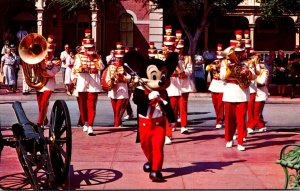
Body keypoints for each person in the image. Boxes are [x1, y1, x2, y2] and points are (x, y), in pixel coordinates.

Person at [219, 37, 254, 151]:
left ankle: (240, 142)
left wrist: (247, 72)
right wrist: (232, 69)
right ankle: (229, 139)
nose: (239, 54)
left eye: (240, 51)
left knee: (241, 119)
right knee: (229, 119)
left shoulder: (247, 62)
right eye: (236, 52)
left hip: (242, 93)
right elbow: (222, 77)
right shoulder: (225, 62)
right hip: (230, 92)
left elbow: (253, 76)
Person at [73, 30, 105, 135]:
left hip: (93, 82)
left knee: (92, 104)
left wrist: (94, 58)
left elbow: (101, 67)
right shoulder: (78, 56)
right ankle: (85, 122)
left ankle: (91, 125)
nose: (88, 50)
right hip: (82, 81)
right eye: (87, 48)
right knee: (82, 104)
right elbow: (76, 67)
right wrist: (82, 68)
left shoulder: (97, 56)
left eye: (90, 48)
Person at [36, 35, 61, 126]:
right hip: (39, 83)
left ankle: (40, 122)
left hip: (49, 84)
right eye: (46, 52)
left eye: (49, 52)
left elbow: (52, 73)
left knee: (43, 102)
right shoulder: (39, 59)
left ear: (53, 51)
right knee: (40, 104)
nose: (47, 54)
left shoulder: (56, 60)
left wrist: (43, 69)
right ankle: (44, 119)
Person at [105, 42, 132, 127]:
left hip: (122, 88)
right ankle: (118, 122)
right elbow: (107, 77)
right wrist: (110, 81)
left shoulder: (126, 66)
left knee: (118, 109)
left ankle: (116, 125)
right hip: (113, 89)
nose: (119, 60)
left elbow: (130, 78)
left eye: (120, 58)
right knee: (114, 110)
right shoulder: (111, 67)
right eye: (117, 58)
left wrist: (122, 78)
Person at [206, 45, 226, 129]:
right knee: (215, 104)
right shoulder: (215, 61)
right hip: (214, 84)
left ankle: (219, 120)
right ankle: (219, 117)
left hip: (222, 84)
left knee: (220, 104)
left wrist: (220, 67)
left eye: (220, 57)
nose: (219, 59)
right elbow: (207, 68)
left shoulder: (225, 63)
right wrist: (211, 66)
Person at [247, 63, 269, 133]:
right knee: (253, 111)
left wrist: (253, 78)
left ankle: (251, 126)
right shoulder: (249, 72)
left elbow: (262, 82)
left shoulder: (264, 71)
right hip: (252, 93)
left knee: (256, 112)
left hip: (260, 94)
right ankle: (262, 126)